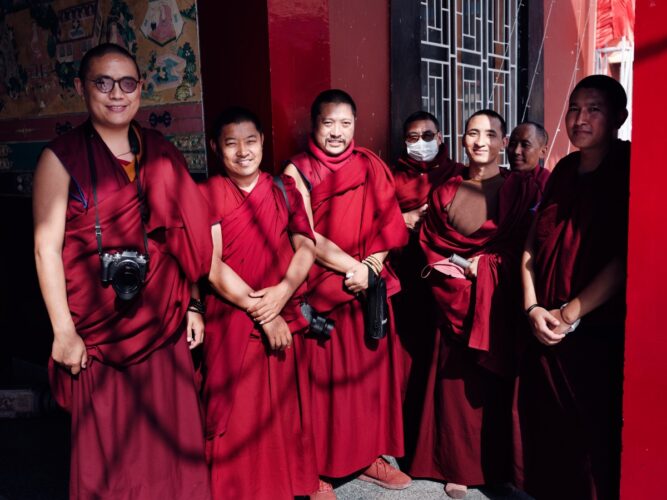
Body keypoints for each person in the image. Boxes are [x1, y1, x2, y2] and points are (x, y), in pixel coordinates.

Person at [32, 43, 212, 499]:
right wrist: (63, 332)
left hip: (162, 323)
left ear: (141, 90)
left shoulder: (159, 151)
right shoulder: (60, 158)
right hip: (100, 332)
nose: (117, 94)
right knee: (110, 451)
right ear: (81, 88)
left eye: (127, 83)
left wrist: (192, 304)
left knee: (170, 442)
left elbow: (185, 235)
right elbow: (46, 247)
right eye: (103, 83)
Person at [284, 89, 411, 498]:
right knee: (323, 385)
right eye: (328, 123)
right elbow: (305, 234)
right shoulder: (297, 170)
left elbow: (389, 223)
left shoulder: (369, 165)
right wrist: (352, 268)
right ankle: (316, 469)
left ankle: (369, 456)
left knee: (368, 381)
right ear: (314, 125)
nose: (337, 132)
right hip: (322, 288)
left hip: (366, 287)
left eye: (345, 123)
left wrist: (370, 267)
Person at [410, 110, 542, 498]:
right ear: (463, 140)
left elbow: (524, 247)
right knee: (455, 391)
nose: (481, 141)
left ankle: (497, 465)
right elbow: (431, 244)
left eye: (490, 134)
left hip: (497, 301)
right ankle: (456, 466)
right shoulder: (445, 191)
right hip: (452, 298)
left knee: (495, 388)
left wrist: (483, 268)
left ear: (503, 142)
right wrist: (457, 273)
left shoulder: (520, 189)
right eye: (472, 133)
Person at [515, 75, 630, 500]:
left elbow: (624, 258)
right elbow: (535, 238)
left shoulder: (628, 168)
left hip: (592, 330)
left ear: (620, 117)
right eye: (575, 108)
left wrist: (567, 315)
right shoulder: (563, 168)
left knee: (592, 436)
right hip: (542, 324)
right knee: (548, 433)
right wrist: (531, 308)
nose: (580, 119)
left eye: (594, 109)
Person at [199, 107, 319, 500]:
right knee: (238, 413)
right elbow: (212, 267)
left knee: (281, 413)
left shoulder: (283, 189)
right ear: (217, 148)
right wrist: (264, 314)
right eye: (231, 144)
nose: (242, 152)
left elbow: (306, 246)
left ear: (263, 143)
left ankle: (282, 488)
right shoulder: (208, 193)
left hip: (281, 306)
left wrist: (284, 290)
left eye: (250, 141)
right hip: (233, 317)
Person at [389, 111, 459, 463]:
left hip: (445, 278)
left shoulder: (457, 173)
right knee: (406, 354)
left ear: (441, 137)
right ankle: (402, 434)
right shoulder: (392, 176)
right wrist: (404, 219)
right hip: (404, 273)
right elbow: (377, 218)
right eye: (412, 138)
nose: (420, 144)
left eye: (427, 136)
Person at [507, 121, 550, 195]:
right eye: (512, 144)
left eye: (525, 145)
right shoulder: (500, 179)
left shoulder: (548, 185)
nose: (516, 151)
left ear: (542, 151)